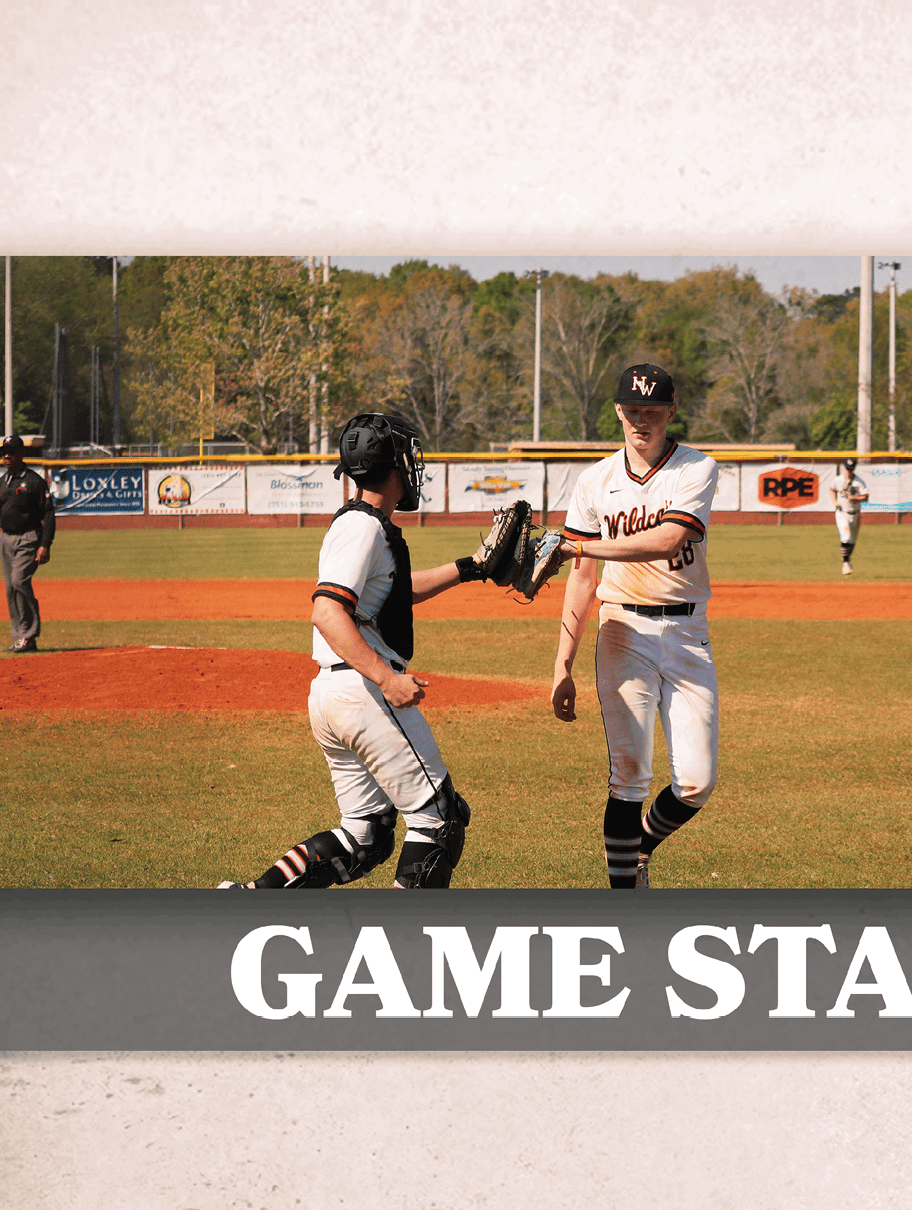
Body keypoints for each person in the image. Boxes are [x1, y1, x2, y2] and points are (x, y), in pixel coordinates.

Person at [218, 412, 493, 891]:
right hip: (364, 689)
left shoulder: (361, 524)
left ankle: (250, 901)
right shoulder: (363, 527)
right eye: (407, 454)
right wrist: (386, 678)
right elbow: (326, 612)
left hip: (334, 691)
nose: (412, 465)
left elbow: (396, 592)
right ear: (392, 463)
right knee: (440, 822)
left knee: (367, 838)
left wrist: (471, 567)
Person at [551, 363, 720, 889]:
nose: (641, 420)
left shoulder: (696, 468)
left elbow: (668, 540)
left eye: (652, 410)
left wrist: (579, 544)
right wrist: (562, 663)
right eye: (632, 410)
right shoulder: (595, 480)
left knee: (696, 782)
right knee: (630, 775)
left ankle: (637, 850)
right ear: (619, 412)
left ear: (671, 411)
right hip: (623, 630)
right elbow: (582, 579)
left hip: (689, 633)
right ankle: (625, 896)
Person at [0, 434, 56, 652]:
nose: (7, 455)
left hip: (28, 538)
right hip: (5, 539)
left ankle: (29, 633)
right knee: (10, 589)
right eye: (4, 451)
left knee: (19, 581)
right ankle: (21, 638)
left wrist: (45, 544)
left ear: (21, 453)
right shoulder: (1, 484)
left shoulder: (34, 481)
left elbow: (48, 514)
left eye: (11, 451)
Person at [829, 457, 869, 575]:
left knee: (852, 541)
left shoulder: (859, 482)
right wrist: (835, 502)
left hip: (855, 514)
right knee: (845, 537)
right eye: (847, 469)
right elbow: (832, 489)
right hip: (842, 512)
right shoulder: (838, 480)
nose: (848, 471)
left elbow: (866, 497)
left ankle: (847, 559)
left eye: (850, 469)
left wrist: (855, 498)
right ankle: (845, 563)